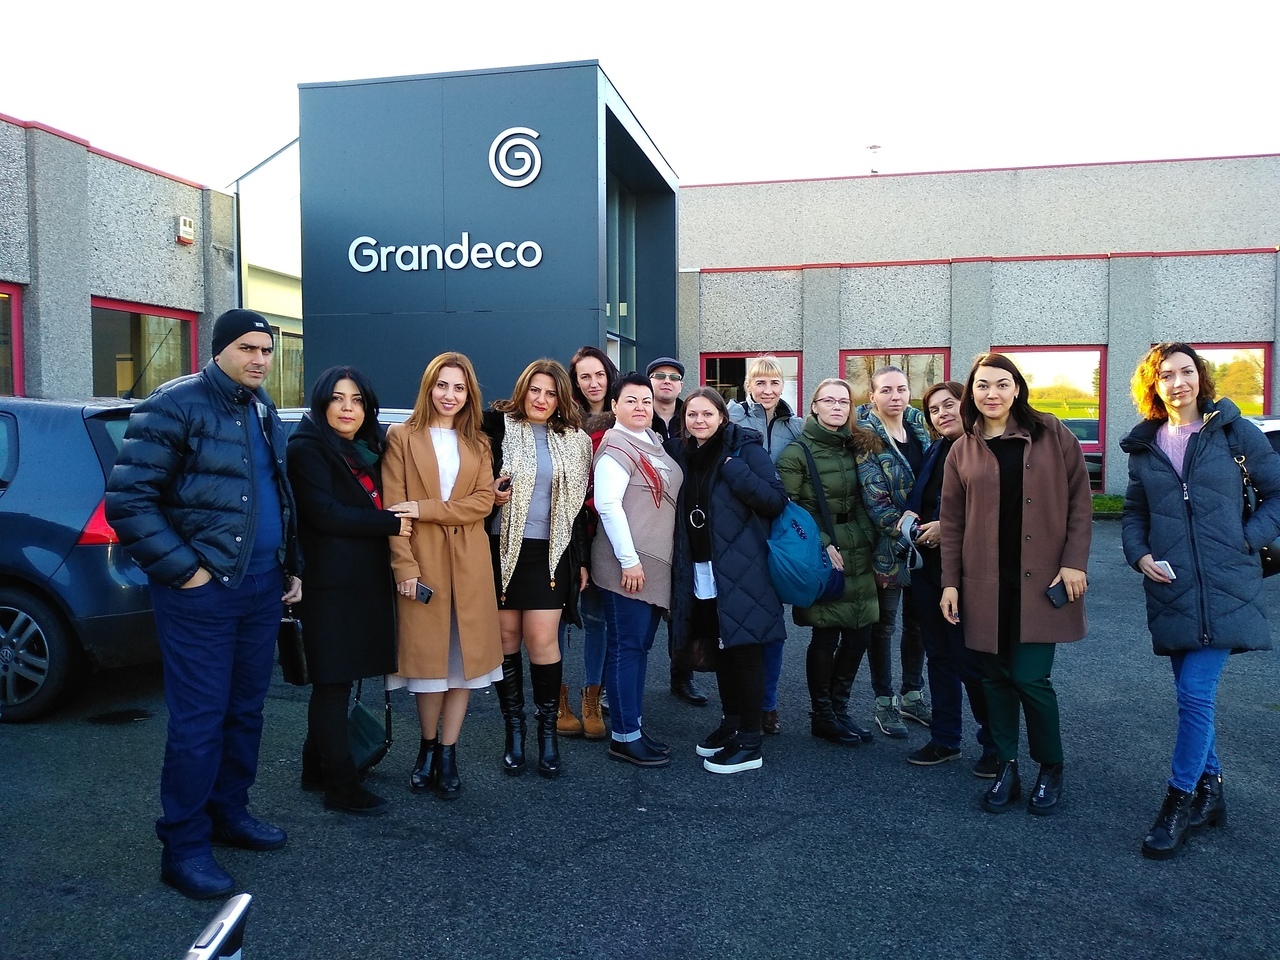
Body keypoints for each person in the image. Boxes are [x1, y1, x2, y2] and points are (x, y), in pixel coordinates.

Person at [105, 309, 302, 900]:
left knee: (246, 711)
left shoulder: (261, 407)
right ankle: (184, 847)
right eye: (248, 348)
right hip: (203, 593)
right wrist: (187, 572)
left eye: (266, 350)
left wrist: (290, 564)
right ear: (219, 350)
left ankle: (228, 814)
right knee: (198, 722)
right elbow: (129, 501)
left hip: (261, 586)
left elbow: (277, 493)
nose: (260, 359)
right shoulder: (175, 403)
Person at [1121, 343, 1280, 859]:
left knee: (1194, 693)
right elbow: (1134, 514)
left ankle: (1178, 801)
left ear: (1200, 377)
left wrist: (1247, 539)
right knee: (1192, 699)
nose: (1178, 382)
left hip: (1227, 584)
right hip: (1172, 588)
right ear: (1153, 385)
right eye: (1166, 375)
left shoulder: (1235, 432)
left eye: (1186, 371)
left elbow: (1278, 493)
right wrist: (1140, 555)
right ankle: (1211, 793)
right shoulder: (1145, 445)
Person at [940, 353, 1092, 816]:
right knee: (994, 678)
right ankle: (1006, 766)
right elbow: (952, 522)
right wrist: (950, 583)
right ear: (972, 392)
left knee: (1030, 677)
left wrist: (1074, 562)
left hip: (1042, 580)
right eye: (983, 385)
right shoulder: (962, 449)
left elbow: (1080, 500)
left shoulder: (1051, 432)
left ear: (1017, 388)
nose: (992, 394)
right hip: (984, 583)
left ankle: (1050, 765)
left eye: (1002, 384)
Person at [288, 366, 413, 816]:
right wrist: (390, 523)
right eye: (338, 399)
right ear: (322, 403)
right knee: (332, 683)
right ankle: (341, 786)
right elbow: (325, 513)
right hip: (328, 584)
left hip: (359, 581)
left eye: (357, 400)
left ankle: (315, 768)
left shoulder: (364, 448)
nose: (347, 408)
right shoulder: (307, 448)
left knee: (338, 679)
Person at [382, 352, 505, 799]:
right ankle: (428, 746)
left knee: (462, 663)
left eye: (459, 387)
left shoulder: (479, 442)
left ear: (469, 394)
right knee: (428, 665)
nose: (450, 395)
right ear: (428, 387)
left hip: (471, 563)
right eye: (442, 385)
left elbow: (482, 502)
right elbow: (394, 509)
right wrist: (404, 566)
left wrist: (425, 507)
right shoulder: (401, 436)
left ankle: (449, 752)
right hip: (424, 558)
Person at [668, 388, 788, 773]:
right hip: (701, 569)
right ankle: (732, 723)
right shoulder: (684, 454)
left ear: (723, 417)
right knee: (721, 650)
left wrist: (736, 471)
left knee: (745, 652)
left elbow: (775, 500)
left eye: (707, 414)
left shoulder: (745, 451)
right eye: (692, 414)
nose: (699, 420)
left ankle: (750, 743)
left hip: (743, 569)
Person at [484, 359, 593, 779]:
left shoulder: (575, 440)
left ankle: (547, 732)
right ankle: (514, 731)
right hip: (500, 547)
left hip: (552, 551)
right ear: (522, 390)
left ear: (561, 398)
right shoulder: (495, 428)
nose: (541, 399)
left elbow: (577, 510)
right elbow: (470, 479)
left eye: (550, 393)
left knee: (542, 639)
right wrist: (487, 493)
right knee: (505, 638)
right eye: (535, 390)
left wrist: (580, 560)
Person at [776, 378, 881, 747]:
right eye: (829, 401)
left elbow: (868, 496)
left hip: (859, 548)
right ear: (814, 406)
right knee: (827, 632)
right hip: (825, 551)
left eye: (843, 402)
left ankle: (840, 709)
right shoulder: (796, 453)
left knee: (860, 632)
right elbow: (788, 510)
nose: (837, 407)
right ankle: (822, 715)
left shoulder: (857, 446)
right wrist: (822, 544)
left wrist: (868, 537)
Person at [903, 381, 996, 775]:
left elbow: (996, 512)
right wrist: (910, 518)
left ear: (967, 404)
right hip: (929, 568)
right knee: (939, 656)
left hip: (968, 572)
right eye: (934, 409)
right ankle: (945, 739)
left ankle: (995, 745)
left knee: (971, 660)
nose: (942, 414)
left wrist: (948, 527)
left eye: (949, 404)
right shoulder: (936, 449)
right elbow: (922, 498)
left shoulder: (984, 451)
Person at [593, 372, 684, 767]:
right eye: (630, 400)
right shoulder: (615, 445)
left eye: (646, 400)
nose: (640, 407)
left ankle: (634, 726)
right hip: (628, 568)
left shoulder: (652, 441)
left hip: (653, 566)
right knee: (627, 649)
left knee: (638, 649)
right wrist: (629, 560)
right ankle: (624, 737)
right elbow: (608, 505)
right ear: (614, 406)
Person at [726, 354, 803, 736]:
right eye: (760, 382)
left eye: (774, 383)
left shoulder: (796, 425)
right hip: (740, 530)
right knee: (740, 620)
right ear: (748, 386)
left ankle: (767, 704)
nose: (768, 390)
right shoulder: (732, 418)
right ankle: (740, 706)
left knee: (772, 623)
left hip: (779, 530)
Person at [856, 365, 933, 738]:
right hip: (888, 548)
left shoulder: (920, 426)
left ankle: (913, 695)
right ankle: (884, 701)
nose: (895, 396)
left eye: (901, 389)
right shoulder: (865, 437)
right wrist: (913, 532)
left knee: (918, 624)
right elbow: (875, 498)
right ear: (873, 395)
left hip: (927, 545)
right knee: (884, 627)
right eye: (886, 390)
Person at [554, 345, 621, 740]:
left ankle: (592, 698)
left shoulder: (623, 418)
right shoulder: (563, 420)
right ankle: (556, 698)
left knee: (597, 620)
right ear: (575, 382)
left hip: (604, 534)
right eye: (584, 376)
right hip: (564, 531)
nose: (593, 383)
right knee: (557, 618)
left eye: (599, 374)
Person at [647, 356, 709, 709]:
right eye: (659, 376)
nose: (666, 381)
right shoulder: (640, 413)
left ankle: (681, 676)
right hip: (649, 522)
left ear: (681, 384)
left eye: (673, 376)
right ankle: (617, 682)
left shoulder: (692, 414)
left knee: (684, 604)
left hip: (688, 523)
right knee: (640, 612)